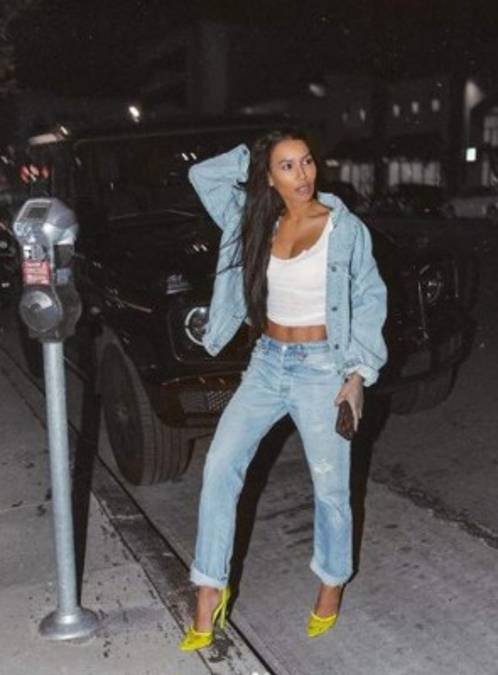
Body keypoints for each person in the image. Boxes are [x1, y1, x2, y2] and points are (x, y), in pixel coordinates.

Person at [179, 129, 387, 652]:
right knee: (219, 465)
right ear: (269, 177)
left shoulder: (343, 227)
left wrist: (357, 375)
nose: (303, 174)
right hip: (267, 364)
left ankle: (331, 581)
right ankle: (209, 589)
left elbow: (369, 297)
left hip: (323, 367)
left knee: (330, 487)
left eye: (307, 161)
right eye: (287, 166)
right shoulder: (254, 220)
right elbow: (201, 176)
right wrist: (252, 158)